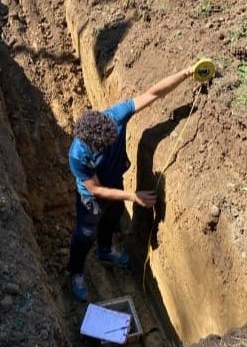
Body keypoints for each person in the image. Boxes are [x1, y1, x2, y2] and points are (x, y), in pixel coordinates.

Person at [68, 64, 196, 301]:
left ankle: (105, 251)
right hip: (90, 199)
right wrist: (132, 196)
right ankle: (75, 272)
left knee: (112, 217)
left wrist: (186, 73)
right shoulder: (78, 155)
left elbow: (153, 94)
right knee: (86, 233)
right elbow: (94, 189)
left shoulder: (115, 117)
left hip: (115, 182)